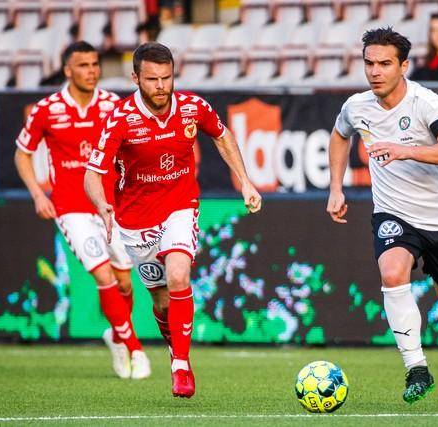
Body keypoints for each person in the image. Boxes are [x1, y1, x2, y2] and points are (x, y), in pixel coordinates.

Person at [84, 42, 262, 398]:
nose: (161, 86)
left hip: (180, 206)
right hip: (135, 220)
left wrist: (245, 181)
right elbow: (92, 173)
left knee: (179, 274)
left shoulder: (193, 107)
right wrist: (102, 204)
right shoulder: (120, 118)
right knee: (163, 302)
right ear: (135, 78)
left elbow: (222, 135)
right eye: (152, 79)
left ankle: (181, 363)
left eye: (166, 78)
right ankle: (174, 347)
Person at [326, 27, 438, 410]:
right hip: (394, 213)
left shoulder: (425, 103)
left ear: (404, 66)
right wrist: (336, 188)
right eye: (369, 63)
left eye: (385, 64)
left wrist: (407, 151)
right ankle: (417, 368)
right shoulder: (357, 106)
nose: (375, 71)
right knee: (391, 273)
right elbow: (339, 135)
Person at [14, 41, 150, 380]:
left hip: (112, 206)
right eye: (83, 65)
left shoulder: (113, 105)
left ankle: (116, 336)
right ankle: (135, 349)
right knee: (103, 275)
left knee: (124, 283)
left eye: (94, 64)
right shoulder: (47, 109)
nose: (91, 71)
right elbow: (22, 153)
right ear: (67, 70)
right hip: (71, 207)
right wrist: (37, 194)